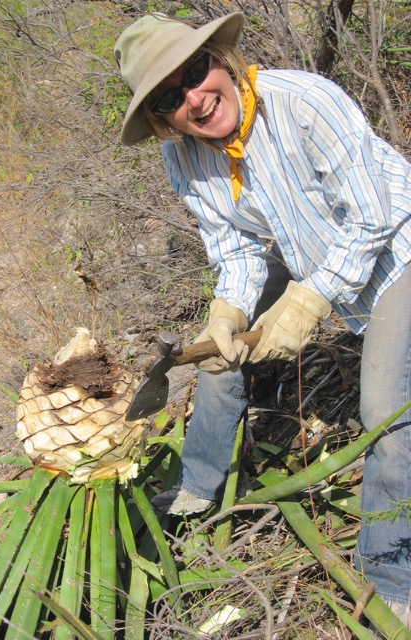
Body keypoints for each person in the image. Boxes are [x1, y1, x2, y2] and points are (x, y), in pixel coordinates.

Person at [114, 11, 411, 622]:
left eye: (196, 72)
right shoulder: (186, 162)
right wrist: (228, 309)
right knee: (220, 354)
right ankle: (198, 487)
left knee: (386, 408)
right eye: (172, 96)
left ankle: (391, 575)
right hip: (319, 257)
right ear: (161, 120)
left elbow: (374, 216)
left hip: (398, 253)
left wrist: (309, 299)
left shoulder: (301, 101)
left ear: (219, 60)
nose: (195, 99)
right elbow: (238, 251)